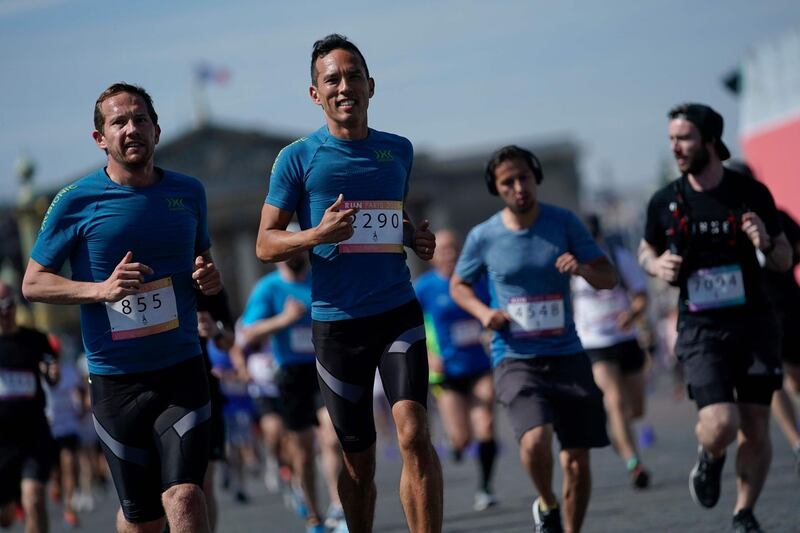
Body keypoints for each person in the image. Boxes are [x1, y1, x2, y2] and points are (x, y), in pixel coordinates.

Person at [255, 34, 443, 533]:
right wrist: (316, 234)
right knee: (358, 462)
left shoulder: (397, 150)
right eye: (332, 79)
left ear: (371, 85)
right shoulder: (297, 158)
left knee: (414, 435)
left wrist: (413, 239)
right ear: (315, 94)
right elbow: (264, 244)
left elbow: (388, 220)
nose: (345, 86)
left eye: (353, 75)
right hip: (338, 327)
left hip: (396, 311)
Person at [22, 82, 222, 533]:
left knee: (187, 496)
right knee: (142, 520)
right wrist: (101, 290)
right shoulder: (75, 201)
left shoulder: (189, 193)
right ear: (101, 138)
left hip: (182, 370)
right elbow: (33, 283)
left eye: (140, 119)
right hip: (117, 384)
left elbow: (203, 264)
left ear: (156, 129)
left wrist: (209, 278)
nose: (132, 129)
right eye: (119, 122)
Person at [638, 103, 791, 533]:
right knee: (722, 421)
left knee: (757, 427)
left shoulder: (749, 193)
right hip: (701, 326)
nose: (676, 148)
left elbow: (783, 257)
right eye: (671, 139)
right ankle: (710, 456)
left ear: (709, 140)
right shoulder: (665, 201)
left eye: (683, 138)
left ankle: (744, 512)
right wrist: (657, 265)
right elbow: (645, 250)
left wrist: (764, 241)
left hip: (755, 322)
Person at [450, 145, 616, 533]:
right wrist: (484, 313)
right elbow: (459, 285)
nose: (519, 187)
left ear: (535, 177)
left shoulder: (564, 223)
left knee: (576, 460)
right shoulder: (483, 236)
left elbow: (608, 277)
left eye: (524, 177)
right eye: (508, 182)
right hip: (515, 355)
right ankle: (546, 501)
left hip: (567, 354)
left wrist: (582, 270)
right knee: (535, 439)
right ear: (497, 187)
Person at [239, 249, 345, 533]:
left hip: (322, 368)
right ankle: (314, 515)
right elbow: (249, 333)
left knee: (333, 438)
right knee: (304, 452)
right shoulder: (268, 288)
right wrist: (284, 320)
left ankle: (338, 506)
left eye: (300, 249)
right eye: (289, 250)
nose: (295, 255)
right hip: (290, 375)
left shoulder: (319, 279)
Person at [414, 229, 498, 511]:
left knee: (485, 424)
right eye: (443, 249)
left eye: (454, 248)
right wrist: (427, 354)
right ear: (433, 255)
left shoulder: (478, 282)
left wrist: (490, 331)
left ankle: (485, 487)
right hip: (446, 370)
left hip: (479, 364)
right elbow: (408, 327)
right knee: (461, 437)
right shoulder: (424, 288)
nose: (450, 254)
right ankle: (456, 443)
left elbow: (493, 311)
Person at [726, 160, 800, 476]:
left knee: (795, 377)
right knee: (777, 379)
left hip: (788, 305)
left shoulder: (777, 216)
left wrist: (773, 249)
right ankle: (797, 442)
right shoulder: (723, 224)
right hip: (755, 314)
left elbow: (795, 251)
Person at [571, 214, 651, 489]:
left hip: (626, 338)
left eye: (593, 239)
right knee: (614, 401)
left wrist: (632, 313)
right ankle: (633, 462)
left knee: (635, 408)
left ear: (600, 237)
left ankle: (620, 432)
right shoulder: (570, 266)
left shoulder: (618, 258)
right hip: (594, 343)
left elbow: (641, 296)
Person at [0, 282, 58, 533]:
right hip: (2, 443)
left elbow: (51, 374)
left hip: (33, 435)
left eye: (8, 305)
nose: (4, 312)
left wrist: (51, 372)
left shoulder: (35, 340)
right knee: (5, 517)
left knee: (34, 498)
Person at [44, 350, 84, 527]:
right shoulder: (39, 372)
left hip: (68, 426)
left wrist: (80, 407)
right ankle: (55, 483)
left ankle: (69, 507)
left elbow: (78, 391)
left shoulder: (68, 370)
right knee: (55, 469)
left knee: (69, 465)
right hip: (49, 428)